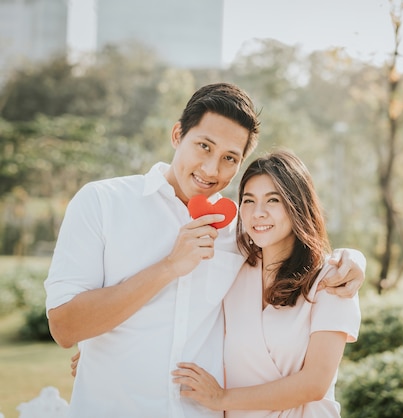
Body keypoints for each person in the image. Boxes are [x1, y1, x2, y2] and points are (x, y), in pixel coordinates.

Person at [45, 82, 366, 418]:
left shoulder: (239, 232)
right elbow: (65, 328)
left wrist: (353, 259)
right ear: (176, 135)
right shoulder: (102, 203)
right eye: (203, 146)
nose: (212, 170)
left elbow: (291, 234)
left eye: (230, 158)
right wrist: (170, 266)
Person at [171, 150, 361, 417]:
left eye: (273, 200)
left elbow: (315, 383)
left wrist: (221, 398)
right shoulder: (234, 268)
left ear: (297, 204)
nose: (257, 213)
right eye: (249, 200)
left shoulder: (332, 280)